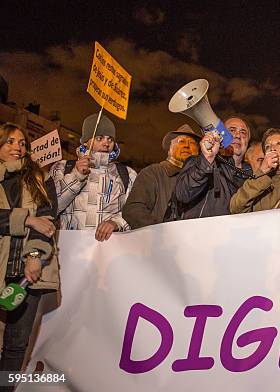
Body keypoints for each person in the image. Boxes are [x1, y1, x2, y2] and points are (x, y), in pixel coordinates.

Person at [0, 123, 58, 373]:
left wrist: (34, 257)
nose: (18, 147)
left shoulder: (40, 178)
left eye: (22, 143)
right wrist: (27, 218)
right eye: (10, 141)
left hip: (28, 275)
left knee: (16, 347)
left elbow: (47, 221)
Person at [50, 113, 137, 241]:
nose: (106, 143)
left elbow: (134, 212)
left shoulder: (127, 174)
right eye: (99, 138)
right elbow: (51, 208)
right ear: (86, 142)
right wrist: (76, 176)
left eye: (110, 139)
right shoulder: (62, 168)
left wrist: (116, 223)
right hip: (70, 249)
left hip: (109, 250)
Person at [122, 124, 199, 229]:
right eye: (181, 141)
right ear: (169, 149)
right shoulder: (153, 173)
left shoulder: (204, 177)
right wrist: (160, 232)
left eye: (192, 143)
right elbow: (133, 210)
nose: (186, 145)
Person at [174, 119, 253, 219]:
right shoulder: (199, 162)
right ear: (219, 136)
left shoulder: (252, 174)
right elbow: (183, 194)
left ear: (247, 141)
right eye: (231, 130)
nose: (237, 135)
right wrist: (207, 160)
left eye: (243, 132)